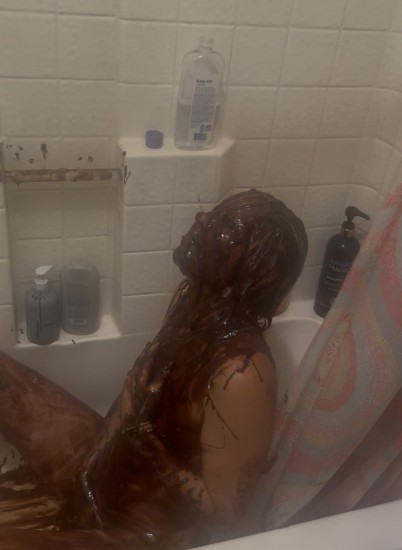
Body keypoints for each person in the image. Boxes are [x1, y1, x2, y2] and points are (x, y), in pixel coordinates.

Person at [0, 189, 308, 549]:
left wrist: (154, 452)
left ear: (253, 273)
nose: (202, 221)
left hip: (147, 528)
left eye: (222, 224)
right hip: (110, 466)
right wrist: (113, 438)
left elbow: (226, 511)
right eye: (215, 214)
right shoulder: (192, 302)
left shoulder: (243, 375)